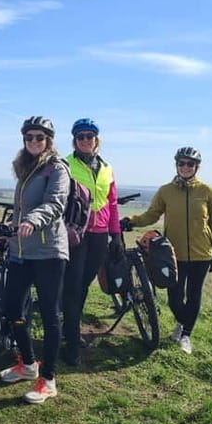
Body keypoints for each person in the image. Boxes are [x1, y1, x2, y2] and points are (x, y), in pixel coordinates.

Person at [122, 146, 212, 354]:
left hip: (202, 253)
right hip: (173, 254)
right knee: (174, 298)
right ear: (176, 165)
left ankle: (185, 335)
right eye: (181, 163)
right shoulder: (166, 191)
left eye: (190, 164)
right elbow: (152, 215)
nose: (185, 167)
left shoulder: (207, 191)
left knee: (194, 295)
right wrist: (131, 220)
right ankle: (182, 322)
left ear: (197, 167)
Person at [0, 116, 69, 404]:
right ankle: (28, 363)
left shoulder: (57, 169)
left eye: (39, 137)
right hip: (22, 251)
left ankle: (48, 379)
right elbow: (20, 210)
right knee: (11, 305)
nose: (34, 142)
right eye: (29, 137)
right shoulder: (26, 169)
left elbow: (54, 203)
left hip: (49, 252)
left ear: (49, 140)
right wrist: (10, 234)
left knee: (50, 315)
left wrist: (32, 220)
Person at [60, 118, 122, 366]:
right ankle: (72, 344)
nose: (85, 140)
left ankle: (69, 327)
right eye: (80, 136)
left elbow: (112, 203)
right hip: (76, 232)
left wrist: (115, 234)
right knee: (74, 285)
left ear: (97, 139)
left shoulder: (107, 168)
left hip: (99, 234)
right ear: (74, 140)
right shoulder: (65, 165)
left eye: (90, 136)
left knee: (84, 284)